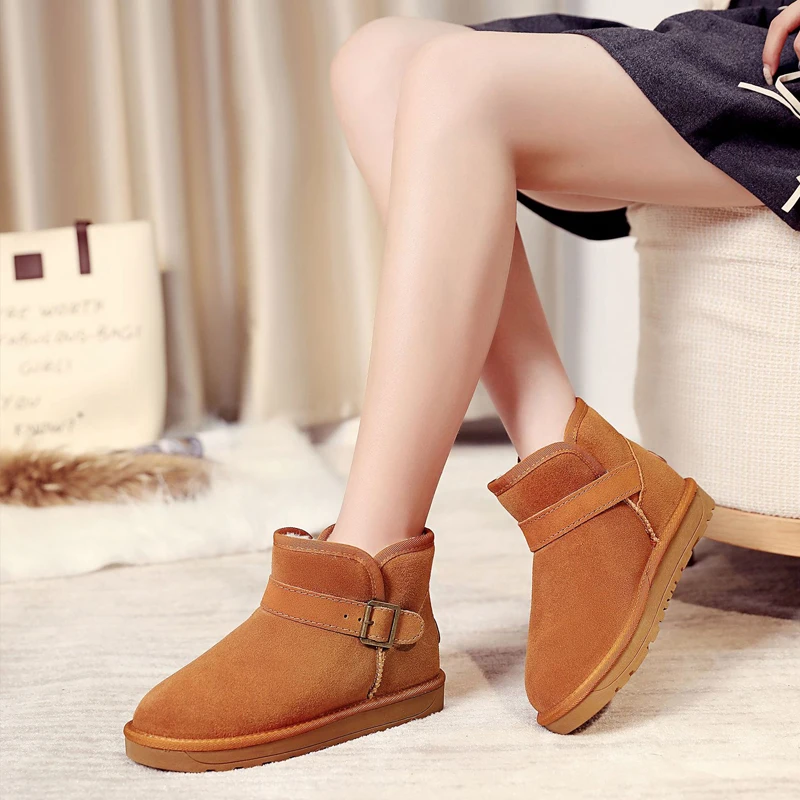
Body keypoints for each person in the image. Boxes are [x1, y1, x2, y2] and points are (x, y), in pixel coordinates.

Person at [122, 1, 799, 770]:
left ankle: (369, 576)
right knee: (378, 61)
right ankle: (573, 470)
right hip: (747, 35)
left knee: (456, 79)